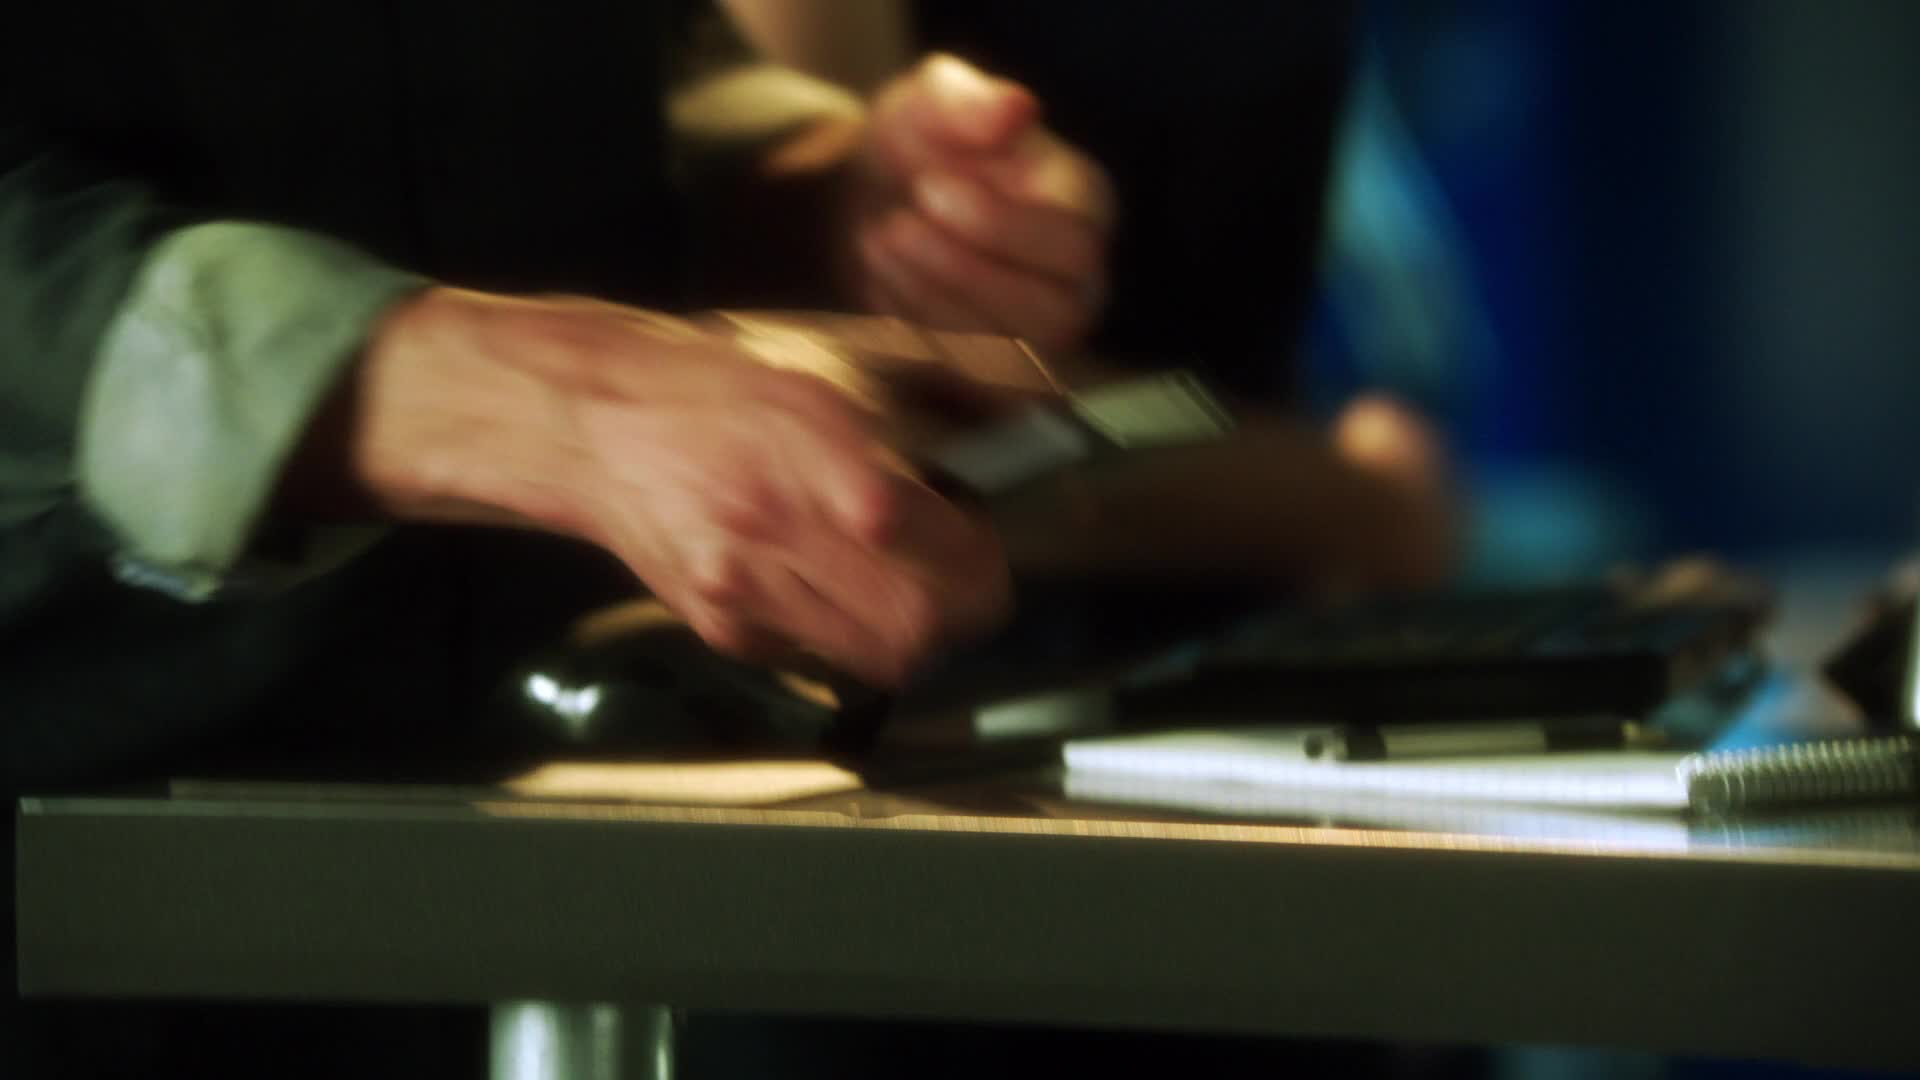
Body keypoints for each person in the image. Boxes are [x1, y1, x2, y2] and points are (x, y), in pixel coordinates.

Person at [4, 1, 1449, 1074]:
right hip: (85, 855)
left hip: (515, 869)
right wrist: (480, 387)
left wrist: (816, 192)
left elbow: (600, 79)